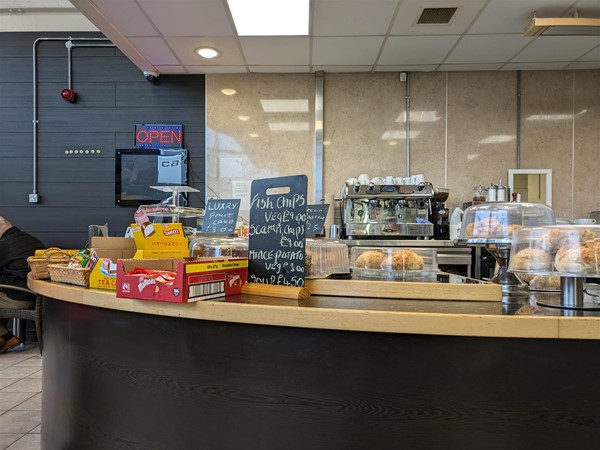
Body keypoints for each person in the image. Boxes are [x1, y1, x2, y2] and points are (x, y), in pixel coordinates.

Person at [0, 216, 45, 353]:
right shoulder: (29, 239)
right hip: (37, 296)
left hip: (18, 297)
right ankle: (3, 337)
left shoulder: (5, 244)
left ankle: (7, 337)